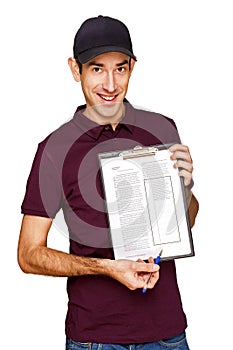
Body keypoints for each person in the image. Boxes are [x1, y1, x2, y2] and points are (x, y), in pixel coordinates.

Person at [18, 15, 199, 350]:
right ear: (76, 70)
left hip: (167, 334)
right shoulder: (55, 150)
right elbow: (29, 254)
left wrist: (184, 189)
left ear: (132, 68)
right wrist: (106, 268)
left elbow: (186, 220)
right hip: (95, 338)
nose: (111, 84)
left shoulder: (161, 130)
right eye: (97, 68)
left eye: (120, 68)